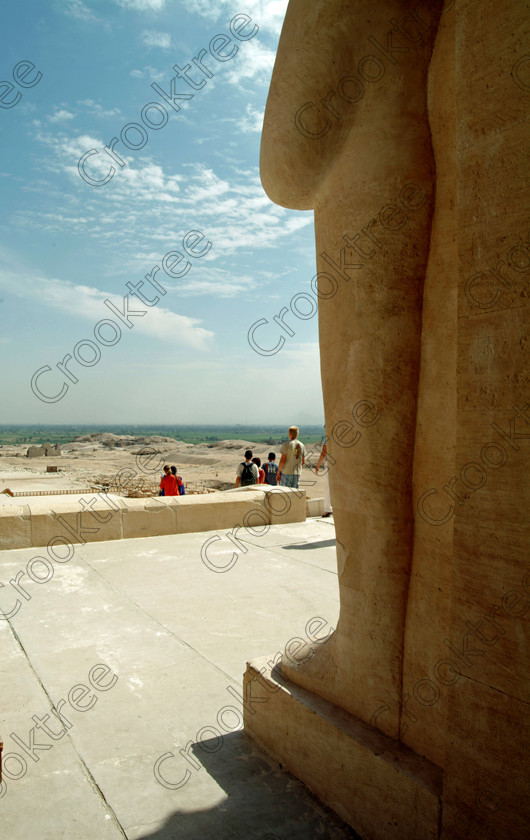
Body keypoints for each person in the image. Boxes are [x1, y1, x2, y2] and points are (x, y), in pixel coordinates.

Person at [316, 442, 332, 517]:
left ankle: (327, 509)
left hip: (330, 462)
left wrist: (318, 465)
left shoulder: (327, 435)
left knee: (329, 486)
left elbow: (324, 451)